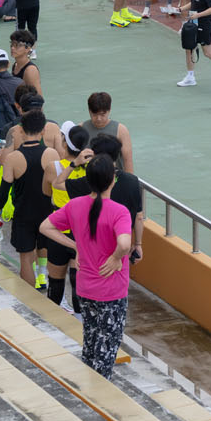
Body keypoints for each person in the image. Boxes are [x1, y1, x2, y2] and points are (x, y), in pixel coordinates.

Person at [39, 154, 133, 375]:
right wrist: (116, 258)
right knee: (105, 353)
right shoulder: (119, 211)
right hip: (111, 293)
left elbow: (45, 227)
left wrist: (76, 245)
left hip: (85, 289)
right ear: (112, 180)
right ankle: (99, 392)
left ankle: (89, 387)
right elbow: (124, 243)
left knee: (90, 346)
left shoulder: (75, 205)